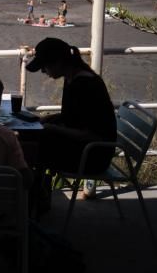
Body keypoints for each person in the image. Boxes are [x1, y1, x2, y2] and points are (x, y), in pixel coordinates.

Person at [26, 38, 116, 175]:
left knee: (28, 148)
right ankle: (36, 191)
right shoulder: (74, 78)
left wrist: (52, 127)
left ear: (59, 62)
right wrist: (47, 119)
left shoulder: (85, 86)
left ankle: (33, 192)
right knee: (30, 143)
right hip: (86, 149)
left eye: (45, 66)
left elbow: (89, 134)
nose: (43, 71)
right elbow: (75, 116)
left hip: (92, 157)